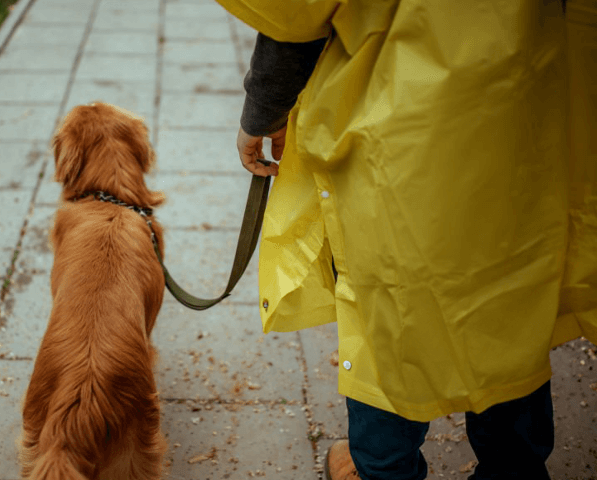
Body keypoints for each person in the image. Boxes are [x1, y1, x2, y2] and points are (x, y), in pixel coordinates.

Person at [217, 1, 597, 479]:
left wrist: (264, 108)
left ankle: (382, 470)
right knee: (512, 296)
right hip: (527, 102)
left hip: (399, 115)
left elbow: (297, 13)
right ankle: (515, 468)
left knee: (389, 308)